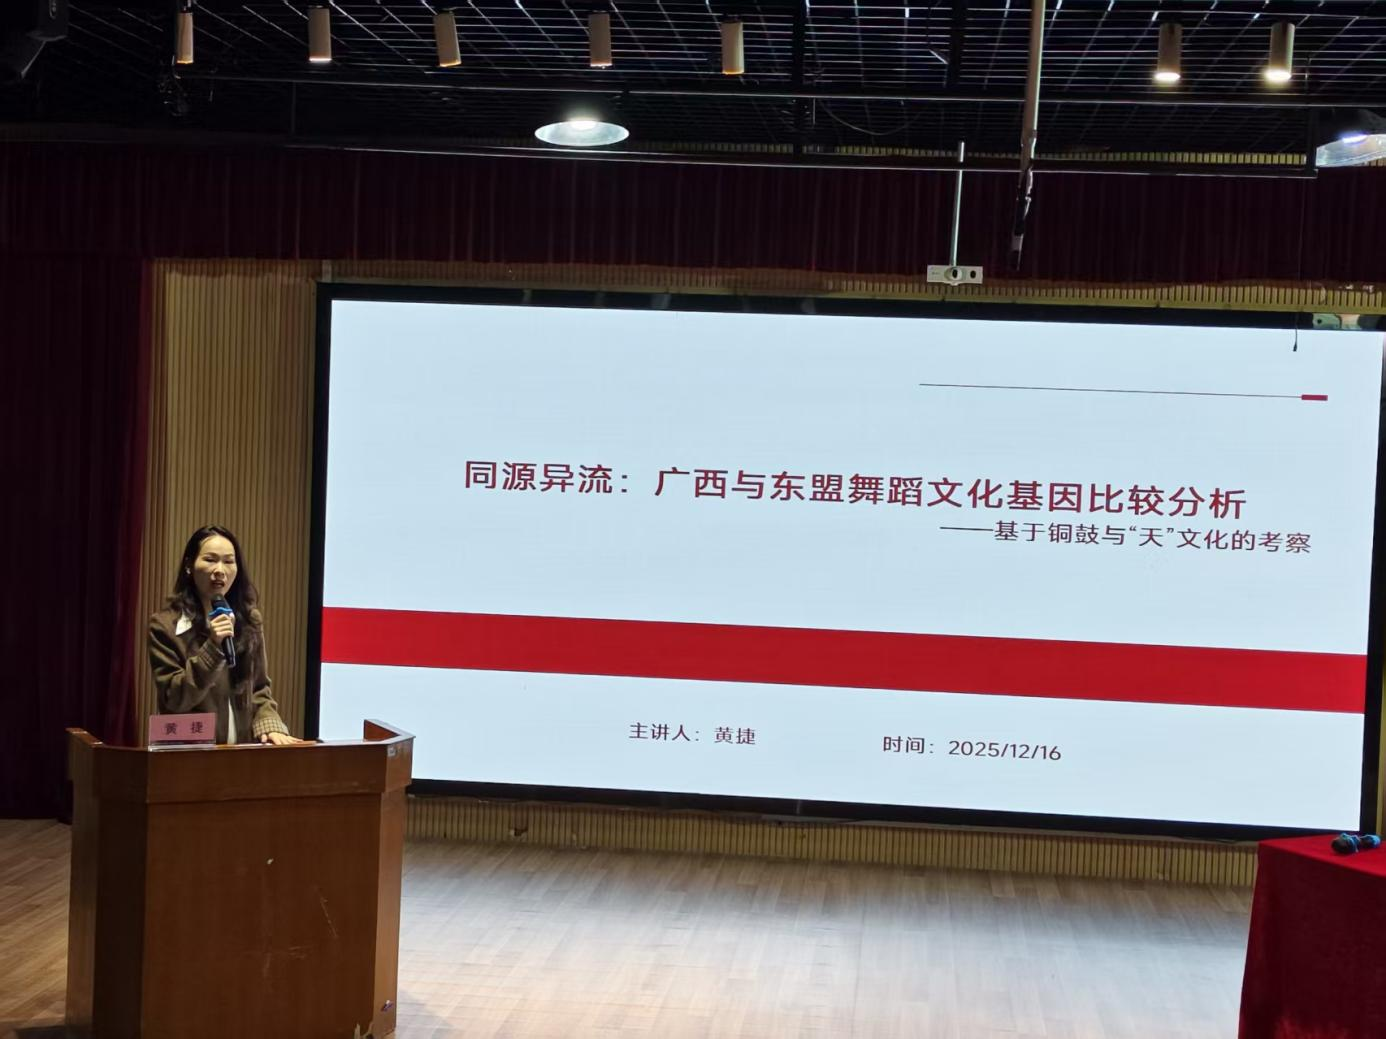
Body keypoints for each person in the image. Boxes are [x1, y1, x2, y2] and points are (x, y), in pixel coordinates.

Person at [147, 525, 300, 745]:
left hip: (241, 752)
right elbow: (174, 698)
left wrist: (270, 724)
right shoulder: (165, 626)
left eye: (229, 561)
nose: (220, 570)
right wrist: (213, 647)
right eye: (210, 560)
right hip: (189, 753)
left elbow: (259, 688)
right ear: (189, 566)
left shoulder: (248, 619)